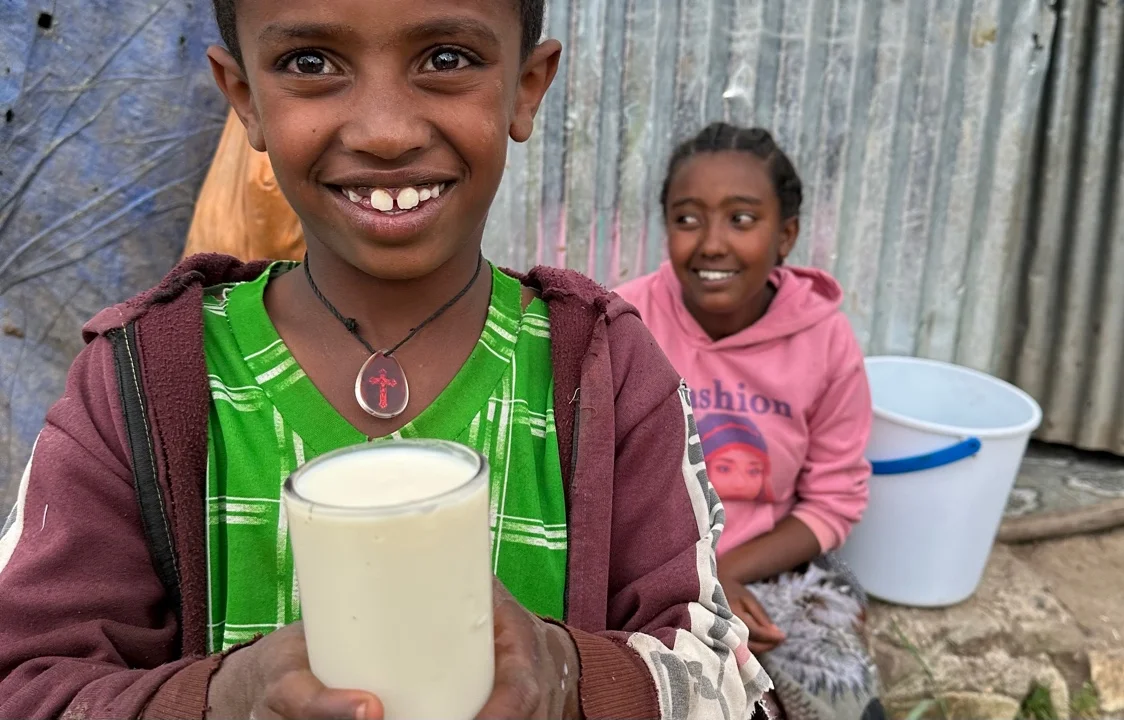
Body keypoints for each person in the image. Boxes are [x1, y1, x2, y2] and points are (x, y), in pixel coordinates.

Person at [0, 4, 771, 719]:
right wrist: (223, 698)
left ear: (525, 87)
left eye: (445, 56)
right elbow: (26, 681)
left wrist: (566, 673)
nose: (385, 131)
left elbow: (720, 678)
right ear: (243, 98)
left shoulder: (602, 372)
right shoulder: (142, 380)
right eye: (309, 63)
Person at [616, 123, 883, 720]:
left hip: (766, 570)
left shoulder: (825, 340)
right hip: (643, 572)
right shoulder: (624, 323)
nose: (712, 244)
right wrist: (694, 582)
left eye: (742, 219)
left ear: (785, 235)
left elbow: (835, 500)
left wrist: (727, 571)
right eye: (688, 219)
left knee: (839, 701)